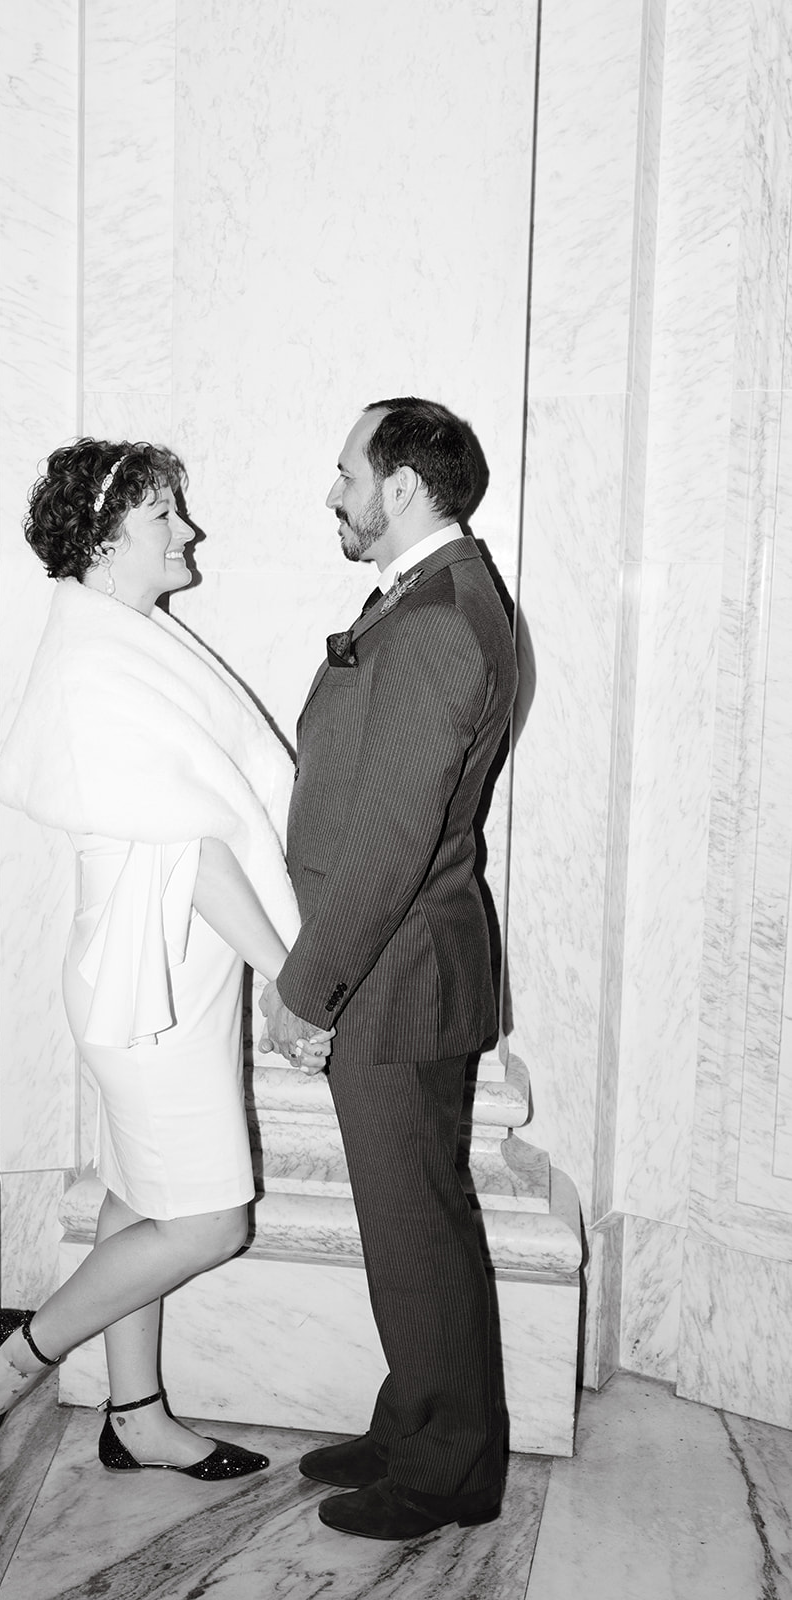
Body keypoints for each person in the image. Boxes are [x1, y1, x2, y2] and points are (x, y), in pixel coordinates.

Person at [0, 437, 330, 1477]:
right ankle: (21, 1352)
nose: (188, 530)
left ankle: (135, 1416)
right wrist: (290, 984)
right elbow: (197, 851)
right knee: (210, 1222)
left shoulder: (128, 637)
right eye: (164, 513)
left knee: (141, 1193)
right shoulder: (94, 665)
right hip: (147, 991)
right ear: (105, 536)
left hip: (169, 976)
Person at [260, 397, 517, 1540]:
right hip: (401, 971)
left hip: (391, 978)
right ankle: (416, 1418)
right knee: (413, 1220)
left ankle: (447, 1472)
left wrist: (305, 987)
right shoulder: (429, 596)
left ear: (401, 486)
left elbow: (388, 840)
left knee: (414, 1227)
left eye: (347, 473)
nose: (334, 494)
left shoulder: (437, 619)